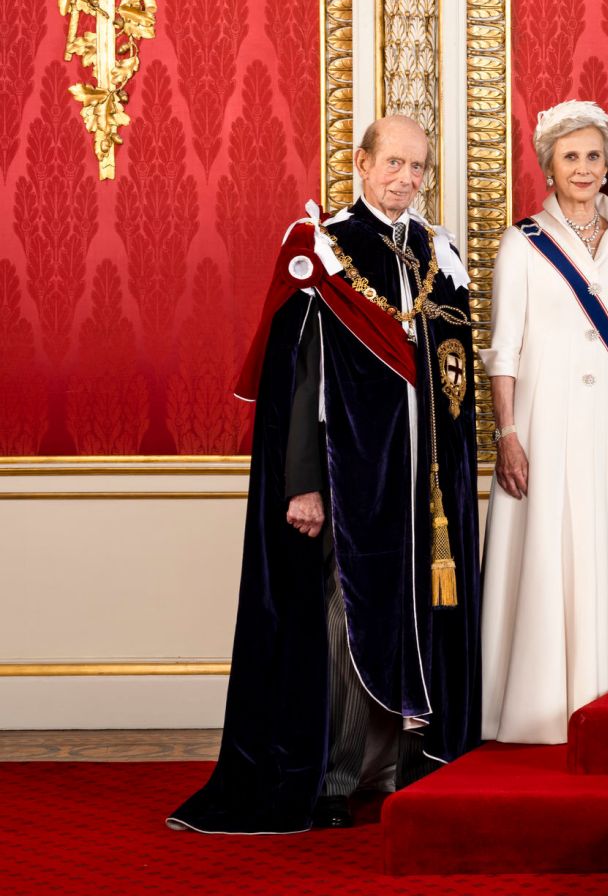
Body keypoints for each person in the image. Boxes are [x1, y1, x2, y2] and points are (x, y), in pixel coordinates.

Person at [171, 116, 481, 833]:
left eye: (419, 167)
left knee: (414, 619)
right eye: (394, 163)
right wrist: (303, 483)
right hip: (352, 480)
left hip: (422, 486)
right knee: (349, 620)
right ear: (362, 163)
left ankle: (404, 767)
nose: (406, 179)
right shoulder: (323, 248)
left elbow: (452, 377)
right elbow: (299, 381)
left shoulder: (435, 253)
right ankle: (339, 779)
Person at [480, 102, 608, 743]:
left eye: (593, 156)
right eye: (570, 157)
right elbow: (504, 348)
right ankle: (537, 706)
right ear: (549, 167)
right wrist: (508, 435)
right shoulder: (522, 242)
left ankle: (605, 698)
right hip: (543, 419)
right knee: (549, 547)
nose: (584, 168)